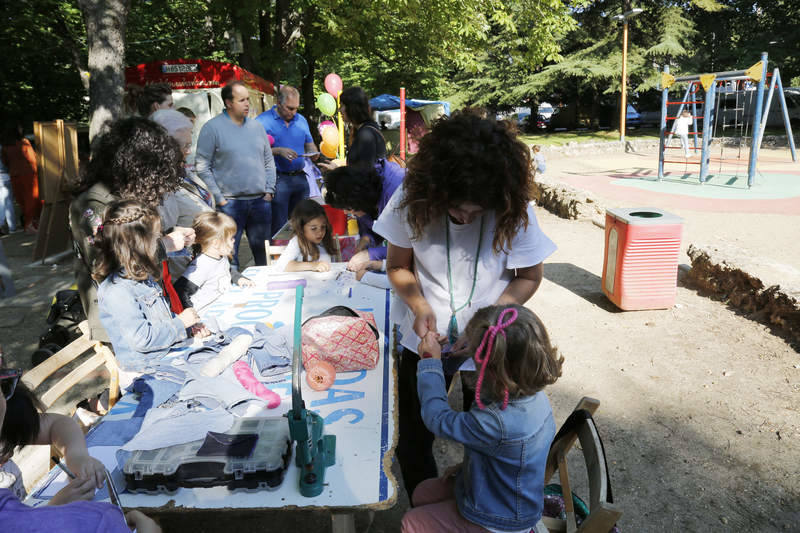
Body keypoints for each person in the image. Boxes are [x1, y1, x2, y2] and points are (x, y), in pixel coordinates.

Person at [372, 111, 557, 498]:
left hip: (493, 341)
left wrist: (488, 326)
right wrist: (420, 307)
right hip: (425, 336)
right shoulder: (411, 199)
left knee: (490, 431)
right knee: (415, 434)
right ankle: (425, 504)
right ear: (436, 190)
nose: (464, 216)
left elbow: (529, 276)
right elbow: (398, 266)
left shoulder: (513, 208)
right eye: (456, 208)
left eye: (477, 212)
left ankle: (477, 501)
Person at [401, 304, 563, 532]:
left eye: (477, 357)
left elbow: (437, 418)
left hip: (500, 519)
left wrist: (430, 361)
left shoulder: (496, 421)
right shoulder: (531, 394)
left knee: (411, 522)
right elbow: (507, 454)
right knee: (422, 493)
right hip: (500, 491)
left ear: (493, 370)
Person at [70, 117, 193, 342]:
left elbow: (136, 239)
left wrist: (170, 234)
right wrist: (164, 245)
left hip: (151, 316)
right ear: (137, 164)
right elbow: (108, 263)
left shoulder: (127, 191)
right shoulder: (94, 204)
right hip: (124, 327)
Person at [0, 366, 161, 532]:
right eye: (4, 450)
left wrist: (76, 456)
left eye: (16, 443)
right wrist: (52, 510)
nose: (10, 454)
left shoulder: (6, 418)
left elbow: (56, 424)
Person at [94, 200, 206, 373]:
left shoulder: (142, 276)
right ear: (138, 244)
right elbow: (142, 339)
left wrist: (187, 328)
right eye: (156, 237)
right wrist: (180, 323)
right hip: (145, 371)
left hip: (165, 356)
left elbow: (159, 321)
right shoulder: (117, 291)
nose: (159, 242)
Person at [195, 80, 276, 269]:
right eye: (242, 100)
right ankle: (232, 288)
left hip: (260, 202)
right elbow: (202, 166)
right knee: (229, 257)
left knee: (264, 256)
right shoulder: (212, 128)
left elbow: (268, 160)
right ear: (228, 103)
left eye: (248, 99)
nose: (247, 104)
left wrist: (269, 191)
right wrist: (220, 198)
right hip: (230, 204)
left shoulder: (256, 127)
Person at [324, 159, 405, 277]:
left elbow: (408, 247)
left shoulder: (397, 196)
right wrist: (367, 238)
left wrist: (371, 254)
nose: (347, 212)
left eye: (349, 209)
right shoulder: (369, 190)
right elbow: (374, 217)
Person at [256, 85, 318, 235]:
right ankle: (279, 255)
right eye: (290, 108)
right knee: (280, 226)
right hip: (278, 179)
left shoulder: (301, 120)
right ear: (278, 102)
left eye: (296, 108)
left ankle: (301, 255)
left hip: (301, 178)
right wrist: (277, 151)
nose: (293, 112)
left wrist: (314, 153)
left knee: (303, 223)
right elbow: (252, 152)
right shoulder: (262, 121)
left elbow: (310, 146)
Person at [174, 211, 255, 312]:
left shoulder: (221, 256)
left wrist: (238, 278)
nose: (234, 241)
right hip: (206, 316)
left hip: (223, 308)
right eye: (231, 238)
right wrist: (191, 314)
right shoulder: (201, 266)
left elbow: (226, 270)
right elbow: (180, 291)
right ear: (216, 243)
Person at [151, 109, 214, 228]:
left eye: (189, 145)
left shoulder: (180, 172)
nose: (189, 152)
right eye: (186, 146)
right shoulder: (155, 185)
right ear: (165, 147)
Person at [318, 86, 386, 171]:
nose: (339, 110)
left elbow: (365, 174)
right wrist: (337, 168)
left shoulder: (366, 135)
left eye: (342, 106)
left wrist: (338, 172)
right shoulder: (367, 129)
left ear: (352, 107)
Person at [274, 199, 339, 272]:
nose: (320, 232)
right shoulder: (297, 241)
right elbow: (281, 265)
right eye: (313, 228)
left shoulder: (326, 240)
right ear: (301, 228)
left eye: (323, 227)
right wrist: (313, 265)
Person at [1, 123, 41, 234]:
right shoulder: (24, 142)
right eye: (20, 127)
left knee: (22, 201)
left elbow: (5, 162)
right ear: (15, 130)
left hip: (14, 175)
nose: (21, 129)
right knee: (31, 199)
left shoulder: (5, 146)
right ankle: (30, 224)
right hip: (28, 175)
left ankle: (29, 224)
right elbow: (32, 159)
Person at [0, 147, 17, 234]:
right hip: (5, 175)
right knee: (9, 202)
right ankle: (12, 226)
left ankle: (2, 224)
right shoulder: (3, 147)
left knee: (2, 202)